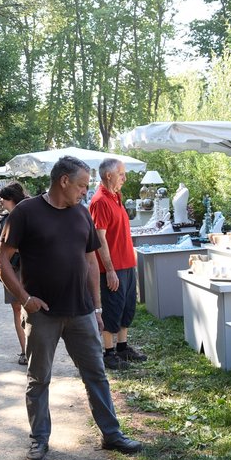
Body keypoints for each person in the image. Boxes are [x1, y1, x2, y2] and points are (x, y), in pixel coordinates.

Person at [0, 156, 144, 460]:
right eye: (81, 186)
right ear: (63, 181)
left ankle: (111, 434)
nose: (84, 192)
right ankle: (39, 439)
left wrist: (98, 306)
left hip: (82, 312)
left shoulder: (81, 214)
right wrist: (24, 298)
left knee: (96, 375)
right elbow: (0, 259)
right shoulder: (26, 213)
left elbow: (91, 261)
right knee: (39, 379)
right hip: (43, 314)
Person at [88, 158, 147, 370]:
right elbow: (100, 239)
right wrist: (110, 270)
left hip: (127, 264)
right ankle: (109, 353)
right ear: (108, 175)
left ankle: (122, 348)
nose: (125, 177)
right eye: (121, 173)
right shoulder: (100, 201)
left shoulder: (116, 197)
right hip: (112, 268)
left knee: (127, 308)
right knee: (112, 309)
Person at [0, 182, 28, 366]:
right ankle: (25, 350)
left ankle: (33, 350)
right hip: (12, 269)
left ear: (10, 199)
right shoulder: (5, 219)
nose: (0, 202)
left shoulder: (29, 214)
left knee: (31, 309)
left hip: (28, 268)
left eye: (3, 199)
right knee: (16, 308)